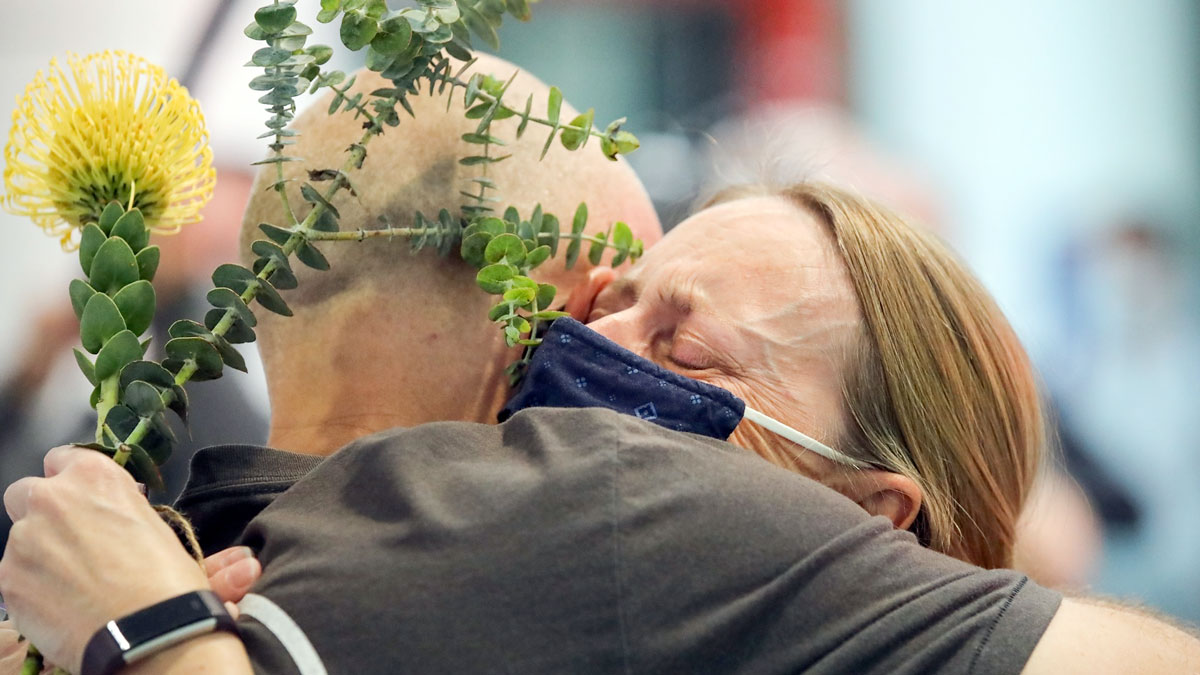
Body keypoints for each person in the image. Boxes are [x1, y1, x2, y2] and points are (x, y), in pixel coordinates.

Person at [4, 58, 1200, 673]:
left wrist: (149, 632)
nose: (573, 356)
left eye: (677, 345)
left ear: (870, 515)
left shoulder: (628, 510)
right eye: (598, 306)